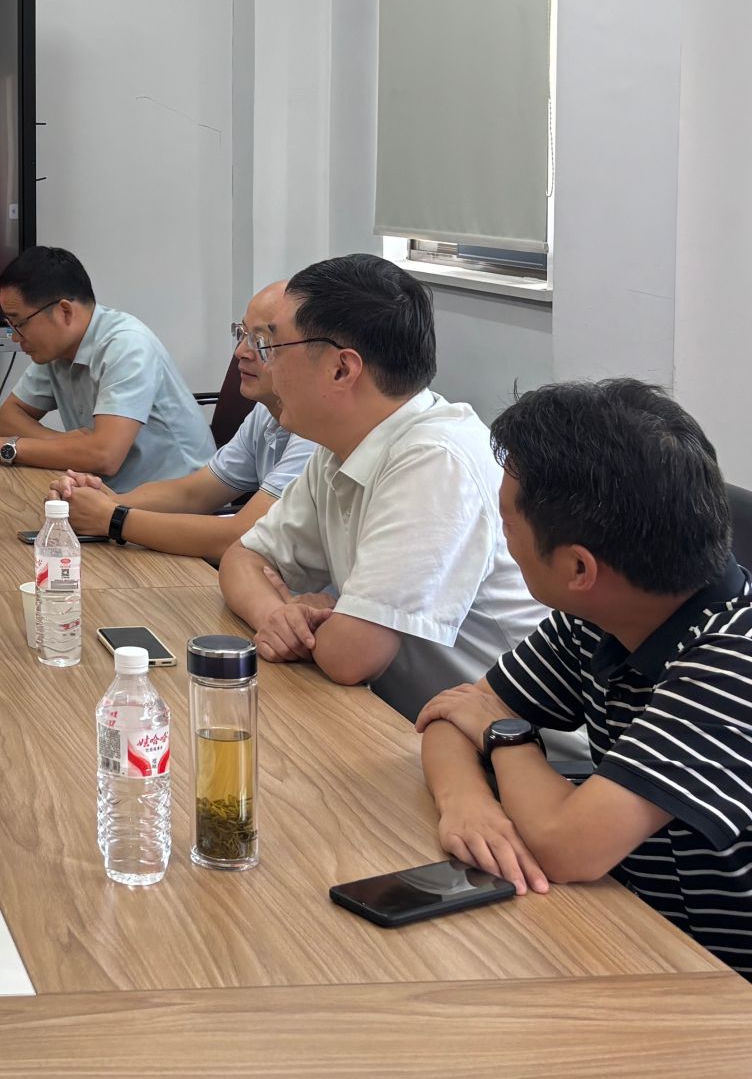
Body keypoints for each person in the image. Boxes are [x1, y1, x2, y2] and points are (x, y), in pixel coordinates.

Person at [413, 380, 752, 979]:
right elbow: (452, 713)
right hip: (636, 933)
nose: (505, 540)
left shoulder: (733, 659)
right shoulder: (600, 616)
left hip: (720, 985)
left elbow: (569, 847)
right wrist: (465, 804)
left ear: (578, 567)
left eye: (508, 526)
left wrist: (506, 734)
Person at [218, 253, 546, 722]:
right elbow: (242, 559)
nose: (263, 363)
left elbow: (352, 656)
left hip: (515, 747)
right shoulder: (340, 446)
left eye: (272, 346)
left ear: (341, 369)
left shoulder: (437, 461)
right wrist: (279, 615)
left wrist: (321, 617)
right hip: (404, 722)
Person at [54, 281, 315, 562]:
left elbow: (241, 536)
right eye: (241, 334)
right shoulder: (266, 412)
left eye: (260, 341)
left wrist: (111, 518)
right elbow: (193, 494)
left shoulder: (315, 432)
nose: (240, 352)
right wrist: (97, 503)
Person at [0, 245, 214, 489]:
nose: (15, 337)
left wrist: (7, 448)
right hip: (109, 492)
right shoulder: (56, 349)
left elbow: (104, 457)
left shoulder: (126, 345)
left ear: (64, 312)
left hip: (178, 496)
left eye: (19, 323)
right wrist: (70, 444)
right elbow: (7, 419)